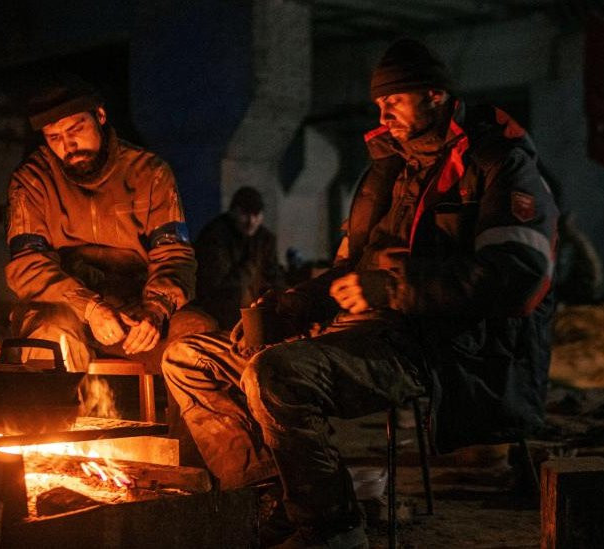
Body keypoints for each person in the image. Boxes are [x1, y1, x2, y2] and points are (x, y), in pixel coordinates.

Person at [161, 38, 558, 549]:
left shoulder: (497, 164)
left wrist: (392, 287)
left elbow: (518, 273)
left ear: (435, 96)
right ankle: (273, 497)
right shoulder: (387, 171)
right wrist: (287, 310)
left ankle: (334, 530)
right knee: (187, 357)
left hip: (434, 344)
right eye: (378, 102)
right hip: (355, 331)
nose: (383, 110)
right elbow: (346, 272)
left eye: (395, 98)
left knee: (277, 374)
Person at [5, 74, 214, 373]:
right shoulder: (31, 181)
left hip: (136, 308)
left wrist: (155, 310)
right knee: (49, 334)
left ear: (100, 116)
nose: (69, 145)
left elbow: (174, 256)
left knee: (197, 334)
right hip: (63, 307)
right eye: (55, 138)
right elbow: (28, 266)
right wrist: (90, 307)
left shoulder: (149, 173)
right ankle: (50, 419)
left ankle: (196, 420)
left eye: (76, 129)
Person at [193, 186, 285, 330]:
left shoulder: (264, 239)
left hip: (254, 315)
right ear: (233, 212)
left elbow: (274, 276)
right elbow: (215, 285)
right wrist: (251, 265)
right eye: (245, 214)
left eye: (256, 215)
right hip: (221, 316)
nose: (251, 221)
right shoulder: (215, 236)